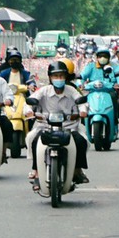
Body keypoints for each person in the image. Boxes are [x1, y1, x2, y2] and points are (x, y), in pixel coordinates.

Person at [29, 59, 89, 187]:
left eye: (61, 76)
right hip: (46, 127)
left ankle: (77, 170)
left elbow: (81, 101)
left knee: (81, 141)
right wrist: (28, 111)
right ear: (50, 77)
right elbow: (31, 100)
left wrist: (83, 110)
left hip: (69, 127)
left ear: (66, 77)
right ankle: (37, 172)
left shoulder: (71, 90)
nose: (59, 78)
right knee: (34, 141)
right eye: (55, 76)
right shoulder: (44, 91)